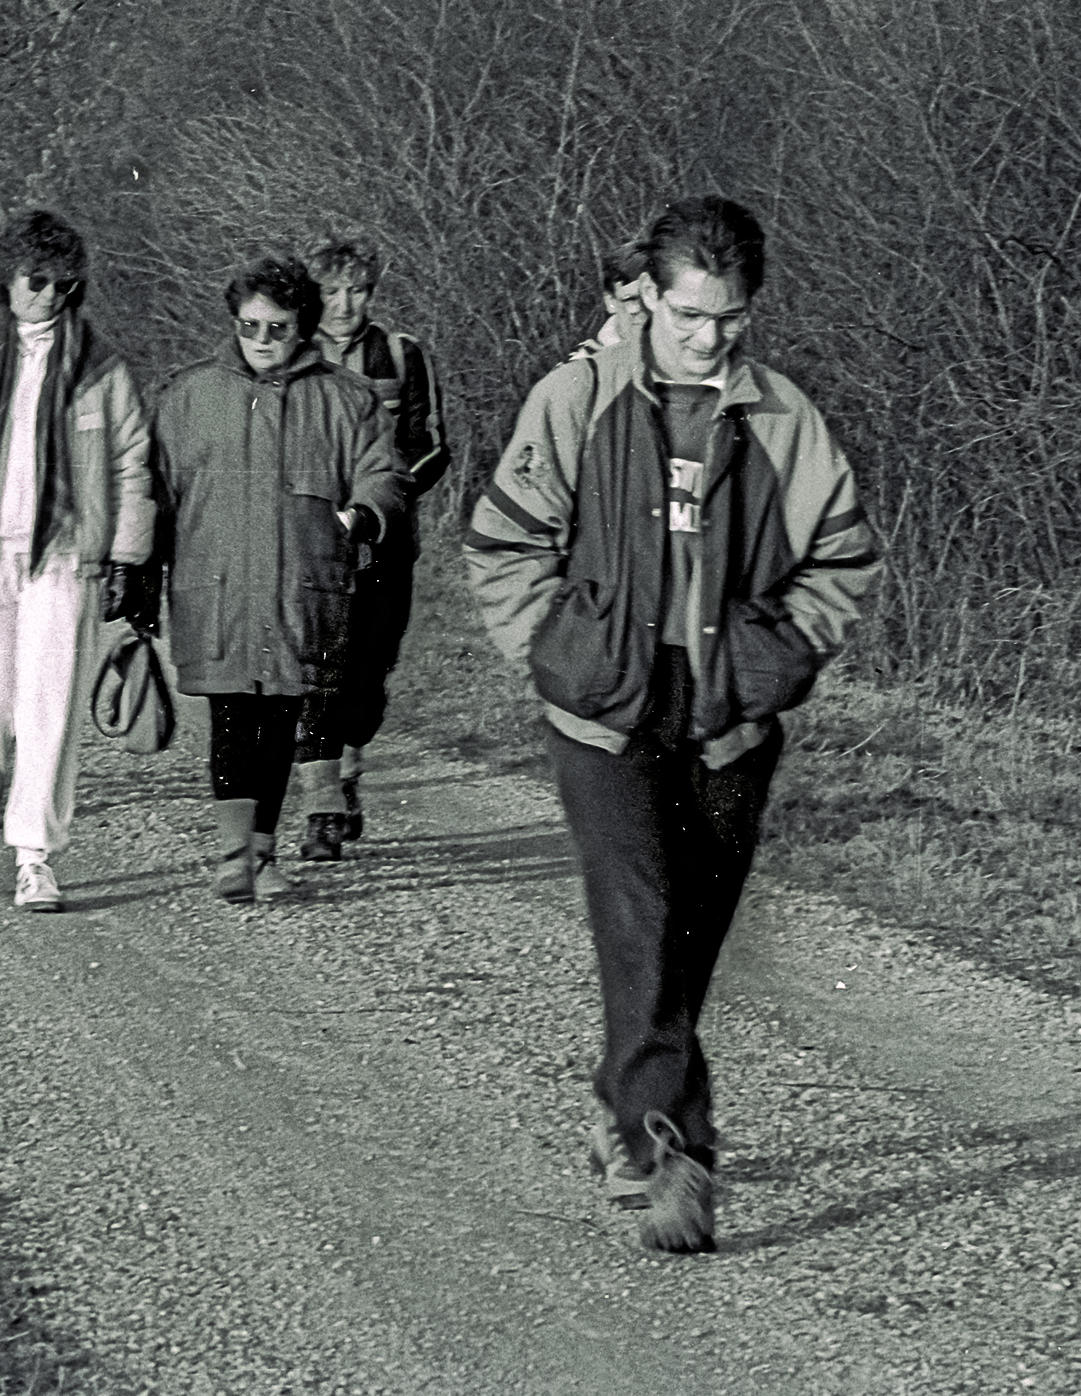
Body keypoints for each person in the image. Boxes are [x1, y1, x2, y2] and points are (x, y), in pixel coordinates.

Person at [465, 196, 883, 1255]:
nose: (707, 338)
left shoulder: (785, 418)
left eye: (729, 318)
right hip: (603, 717)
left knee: (689, 938)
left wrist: (773, 663)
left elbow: (842, 559)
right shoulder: (576, 398)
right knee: (642, 917)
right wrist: (559, 649)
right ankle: (674, 1150)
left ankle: (622, 1098)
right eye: (689, 315)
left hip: (729, 716)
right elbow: (505, 543)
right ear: (648, 297)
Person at [0, 210, 154, 912]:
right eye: (36, 280)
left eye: (63, 284)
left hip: (65, 556)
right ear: (8, 276)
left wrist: (128, 556)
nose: (48, 295)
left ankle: (35, 856)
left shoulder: (100, 367)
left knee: (50, 704)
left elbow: (132, 463)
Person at [150, 255, 406, 904]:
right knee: (232, 719)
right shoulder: (190, 395)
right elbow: (155, 492)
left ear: (303, 326)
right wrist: (137, 572)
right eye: (249, 326)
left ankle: (262, 852)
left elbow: (383, 473)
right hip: (218, 588)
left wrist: (361, 515)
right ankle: (235, 855)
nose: (261, 340)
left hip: (303, 589)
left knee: (281, 720)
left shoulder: (345, 398)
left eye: (277, 328)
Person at [290, 233, 446, 858]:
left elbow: (432, 446)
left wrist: (379, 499)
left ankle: (350, 764)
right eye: (331, 291)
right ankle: (321, 807)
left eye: (356, 291)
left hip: (385, 544)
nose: (344, 305)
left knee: (368, 675)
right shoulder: (292, 354)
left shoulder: (402, 354)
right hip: (310, 546)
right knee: (314, 671)